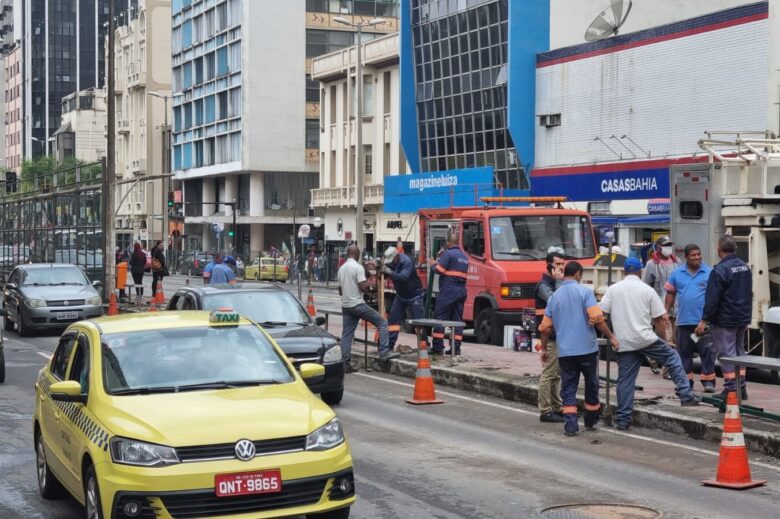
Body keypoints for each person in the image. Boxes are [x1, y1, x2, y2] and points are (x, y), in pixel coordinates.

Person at [600, 257, 701, 431]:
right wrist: (665, 341)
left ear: (624, 272)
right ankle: (686, 394)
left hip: (624, 341)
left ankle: (623, 420)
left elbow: (600, 314)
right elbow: (660, 320)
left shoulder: (613, 290)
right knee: (672, 356)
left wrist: (610, 337)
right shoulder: (647, 290)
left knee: (625, 381)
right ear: (640, 271)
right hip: (646, 338)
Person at [538, 261, 619, 436]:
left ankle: (570, 426)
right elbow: (597, 319)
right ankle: (590, 419)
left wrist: (544, 350)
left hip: (565, 352)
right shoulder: (585, 292)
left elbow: (545, 328)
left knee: (568, 387)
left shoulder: (554, 297)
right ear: (578, 274)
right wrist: (611, 337)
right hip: (587, 350)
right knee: (591, 384)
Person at [696, 235, 752, 400]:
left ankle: (730, 390)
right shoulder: (744, 267)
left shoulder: (720, 270)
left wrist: (704, 319)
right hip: (742, 317)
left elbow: (713, 299)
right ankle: (741, 386)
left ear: (719, 249)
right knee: (739, 352)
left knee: (727, 354)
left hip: (725, 319)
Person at [664, 243, 716, 393]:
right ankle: (686, 382)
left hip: (702, 322)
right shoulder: (677, 273)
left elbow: (714, 297)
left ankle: (708, 381)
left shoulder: (709, 272)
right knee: (684, 353)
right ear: (686, 257)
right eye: (693, 255)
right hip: (684, 323)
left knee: (706, 351)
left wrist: (707, 319)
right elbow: (671, 293)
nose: (697, 257)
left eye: (699, 254)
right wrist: (666, 311)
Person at [339, 245, 399, 371]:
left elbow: (340, 290)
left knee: (347, 334)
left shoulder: (341, 269)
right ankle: (384, 352)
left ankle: (345, 363)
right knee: (382, 323)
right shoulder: (357, 267)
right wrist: (371, 287)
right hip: (357, 305)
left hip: (346, 306)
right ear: (356, 254)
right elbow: (363, 287)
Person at [534, 250, 566, 423]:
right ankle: (545, 410)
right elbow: (557, 301)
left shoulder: (555, 283)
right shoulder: (543, 285)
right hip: (548, 335)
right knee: (549, 373)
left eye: (562, 264)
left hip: (557, 334)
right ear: (549, 265)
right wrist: (560, 280)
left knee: (556, 374)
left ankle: (557, 406)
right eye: (558, 264)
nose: (561, 268)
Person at [430, 231, 469, 355]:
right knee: (457, 321)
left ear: (448, 242)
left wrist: (433, 264)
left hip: (448, 291)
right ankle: (455, 348)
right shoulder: (464, 257)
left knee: (440, 319)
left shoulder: (448, 254)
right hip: (461, 291)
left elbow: (439, 270)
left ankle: (437, 347)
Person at [382, 246, 425, 350]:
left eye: (392, 260)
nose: (391, 263)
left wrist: (389, 272)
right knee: (393, 319)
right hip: (401, 295)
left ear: (397, 256)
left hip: (414, 295)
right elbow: (385, 275)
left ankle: (424, 346)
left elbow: (403, 277)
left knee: (418, 322)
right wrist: (380, 271)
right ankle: (390, 345)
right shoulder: (390, 262)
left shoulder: (407, 261)